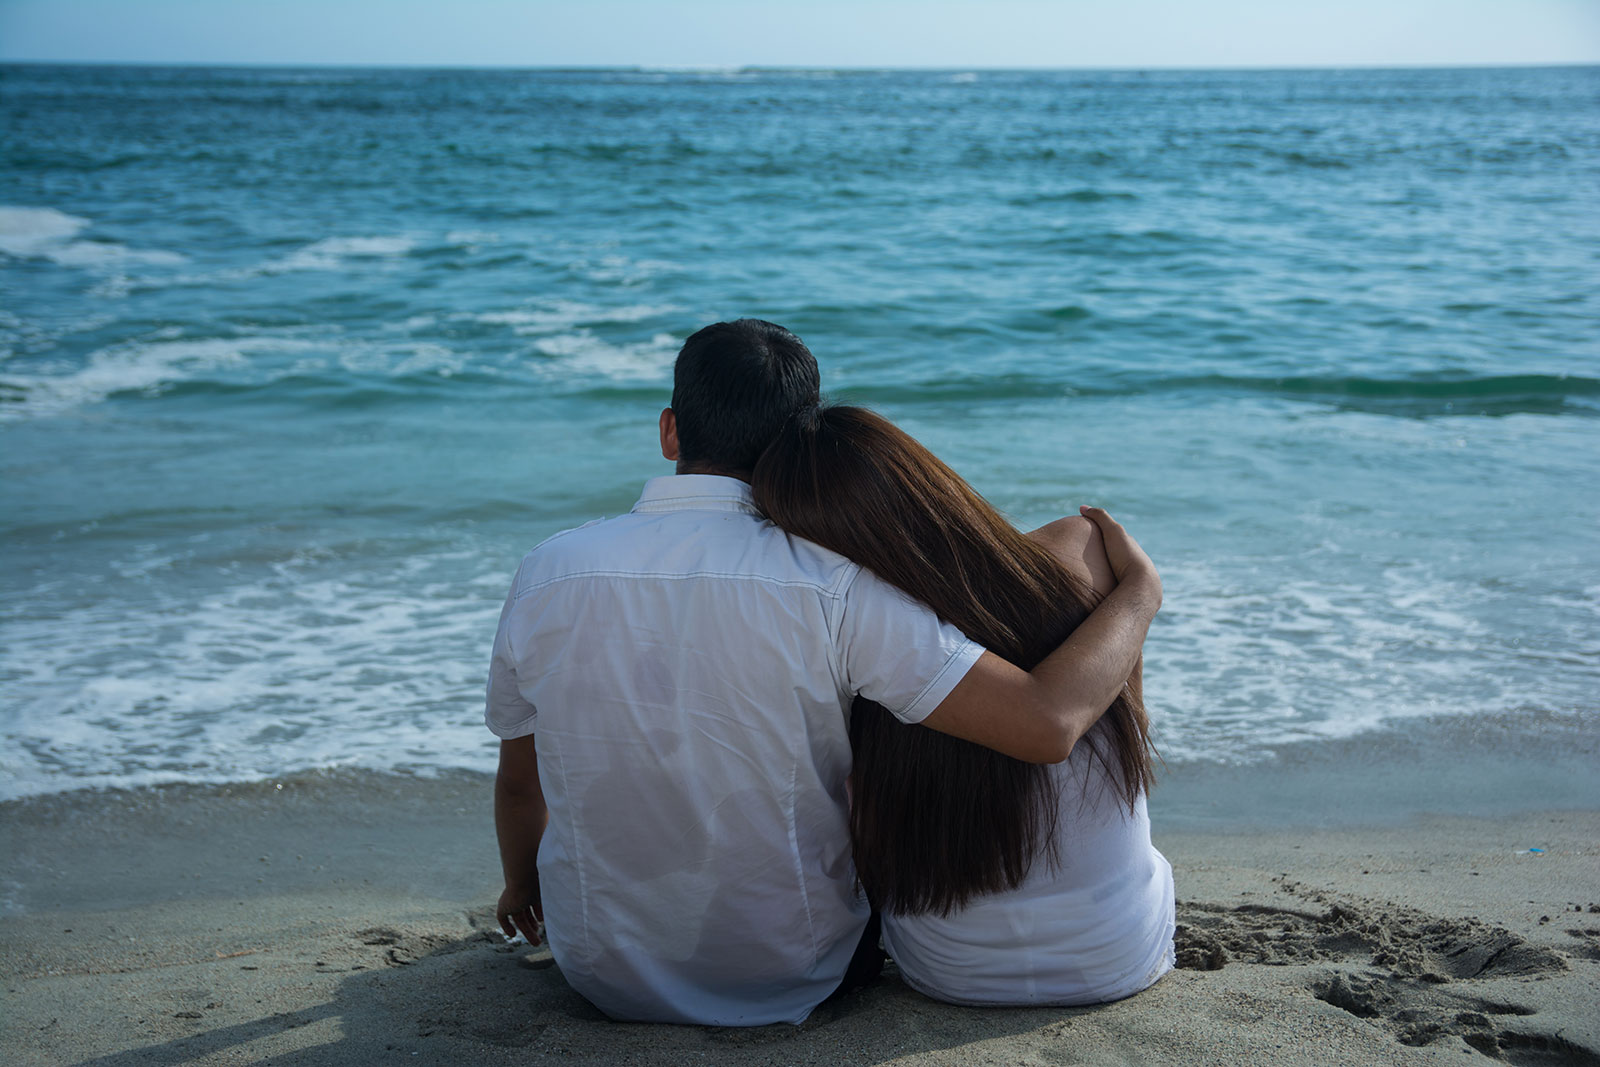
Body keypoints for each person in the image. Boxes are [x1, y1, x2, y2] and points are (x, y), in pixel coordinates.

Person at [486, 319, 1162, 1025]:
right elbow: (1039, 720)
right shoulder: (832, 585)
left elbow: (520, 779)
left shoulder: (545, 571)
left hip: (600, 971)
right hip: (794, 973)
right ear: (797, 445)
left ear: (670, 432)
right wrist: (1139, 593)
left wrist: (520, 884)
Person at [751, 403, 1174, 1006]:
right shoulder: (1079, 552)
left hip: (949, 969)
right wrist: (1143, 592)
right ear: (926, 483)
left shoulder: (845, 639)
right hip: (1116, 951)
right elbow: (1128, 722)